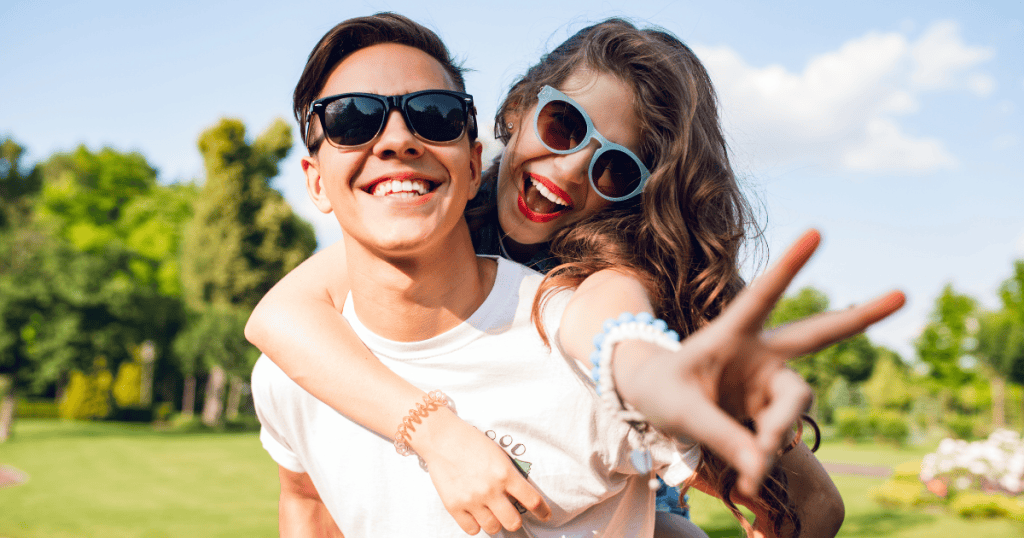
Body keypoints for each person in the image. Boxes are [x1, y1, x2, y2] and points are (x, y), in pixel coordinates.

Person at [248, 13, 905, 537]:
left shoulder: (605, 270)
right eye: (564, 125)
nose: (566, 172)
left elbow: (603, 325)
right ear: (519, 110)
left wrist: (644, 367)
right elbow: (279, 318)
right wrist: (438, 435)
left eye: (614, 167)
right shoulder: (429, 206)